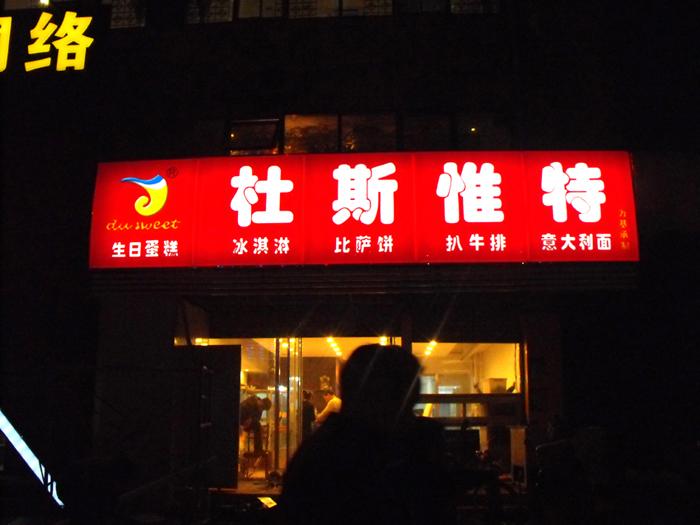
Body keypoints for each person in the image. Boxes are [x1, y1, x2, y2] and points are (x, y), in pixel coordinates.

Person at [279, 344, 456, 525]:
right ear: (381, 397)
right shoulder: (382, 457)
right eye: (406, 403)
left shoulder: (321, 451)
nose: (411, 418)